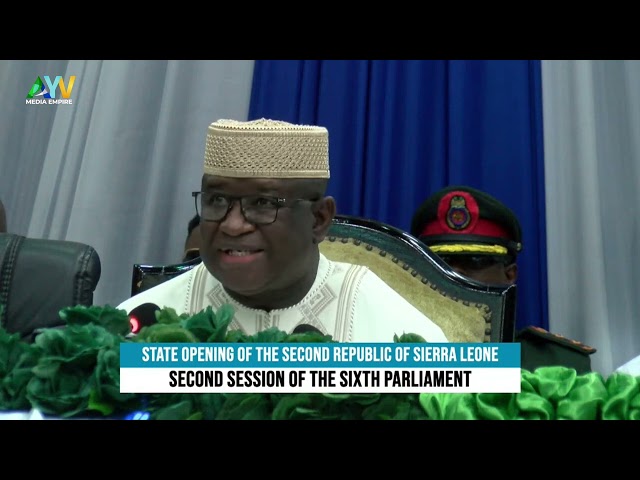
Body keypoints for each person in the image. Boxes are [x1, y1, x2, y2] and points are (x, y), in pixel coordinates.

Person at [118, 118, 448, 343]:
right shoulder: (142, 323)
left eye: (263, 203)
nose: (233, 225)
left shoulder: (392, 330)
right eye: (217, 200)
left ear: (318, 219)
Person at [410, 185, 596, 373]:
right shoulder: (393, 364)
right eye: (440, 262)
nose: (454, 273)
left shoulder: (559, 367)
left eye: (474, 261)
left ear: (510, 274)